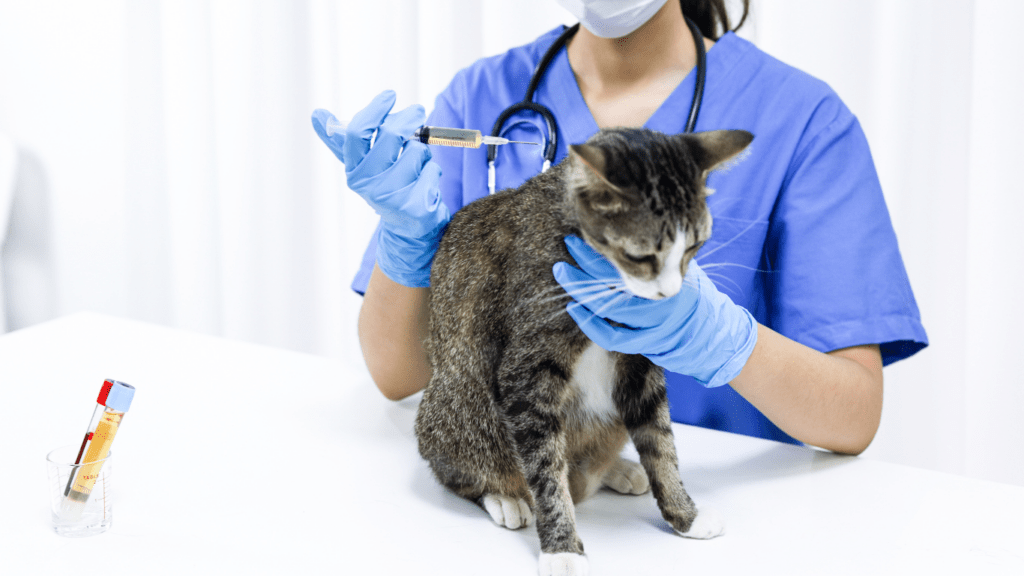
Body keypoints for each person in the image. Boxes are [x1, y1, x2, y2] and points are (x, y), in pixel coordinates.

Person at [311, 0, 928, 455]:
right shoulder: (483, 94)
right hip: (521, 501)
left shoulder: (802, 120)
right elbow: (398, 375)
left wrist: (721, 340)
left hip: (714, 522)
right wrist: (407, 242)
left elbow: (853, 416)